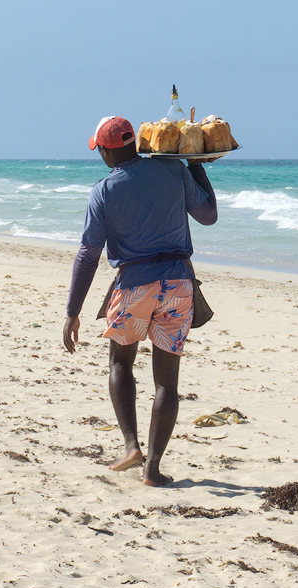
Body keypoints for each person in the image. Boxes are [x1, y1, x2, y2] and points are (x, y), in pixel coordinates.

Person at [61, 116, 218, 487]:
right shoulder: (174, 171)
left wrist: (73, 312)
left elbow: (88, 254)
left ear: (105, 150)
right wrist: (196, 168)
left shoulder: (104, 190)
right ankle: (153, 470)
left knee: (120, 363)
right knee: (166, 383)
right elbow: (208, 216)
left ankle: (131, 445)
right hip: (179, 284)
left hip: (134, 286)